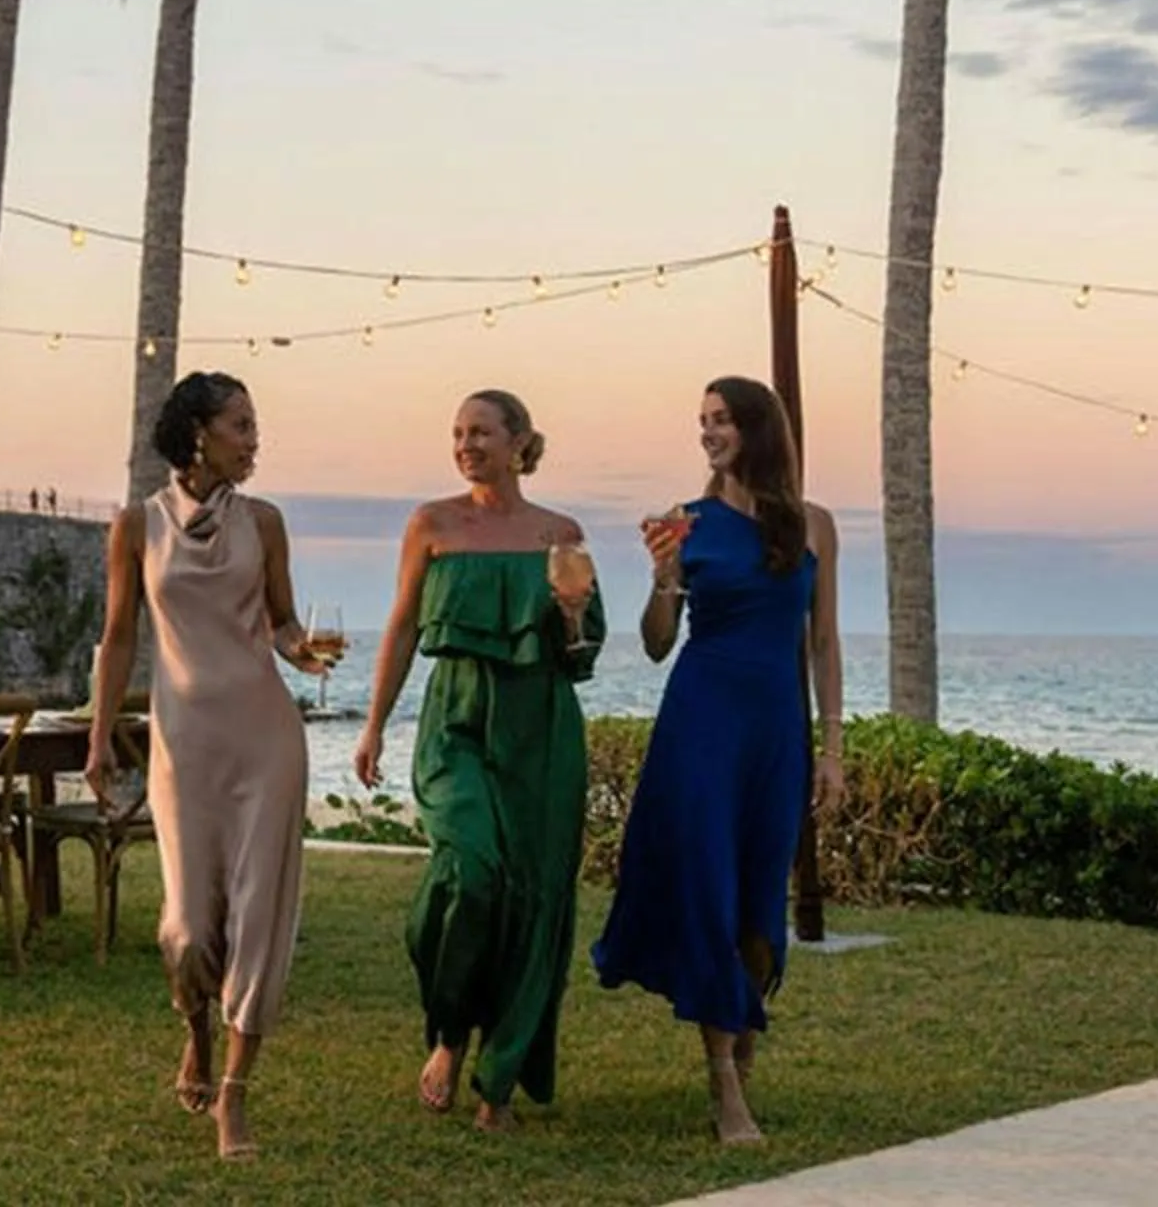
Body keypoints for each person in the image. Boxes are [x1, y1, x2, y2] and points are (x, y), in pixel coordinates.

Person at [86, 371, 334, 1161]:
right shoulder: (134, 527)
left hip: (266, 738)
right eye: (240, 424)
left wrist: (306, 650)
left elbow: (284, 621)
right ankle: (194, 1029)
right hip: (183, 744)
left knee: (257, 917)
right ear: (198, 433)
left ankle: (234, 1096)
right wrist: (98, 739)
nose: (254, 438)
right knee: (189, 927)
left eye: (255, 424)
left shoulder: (265, 521)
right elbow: (120, 637)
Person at [590, 376, 844, 1146]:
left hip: (775, 732)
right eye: (701, 421)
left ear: (758, 429)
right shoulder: (686, 522)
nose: (708, 433)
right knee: (708, 891)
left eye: (722, 420)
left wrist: (833, 745)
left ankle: (740, 1052)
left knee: (761, 909)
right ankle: (725, 1084)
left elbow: (823, 643)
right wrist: (666, 574)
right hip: (700, 724)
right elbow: (659, 641)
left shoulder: (815, 526)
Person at [352, 390, 607, 1133]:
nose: (466, 444)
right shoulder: (431, 524)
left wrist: (568, 616)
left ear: (519, 441)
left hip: (542, 728)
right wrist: (372, 728)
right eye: (458, 432)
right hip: (455, 721)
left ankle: (497, 1078)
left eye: (481, 432)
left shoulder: (559, 533)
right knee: (470, 872)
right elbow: (401, 628)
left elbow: (581, 656)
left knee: (529, 896)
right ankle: (448, 1032)